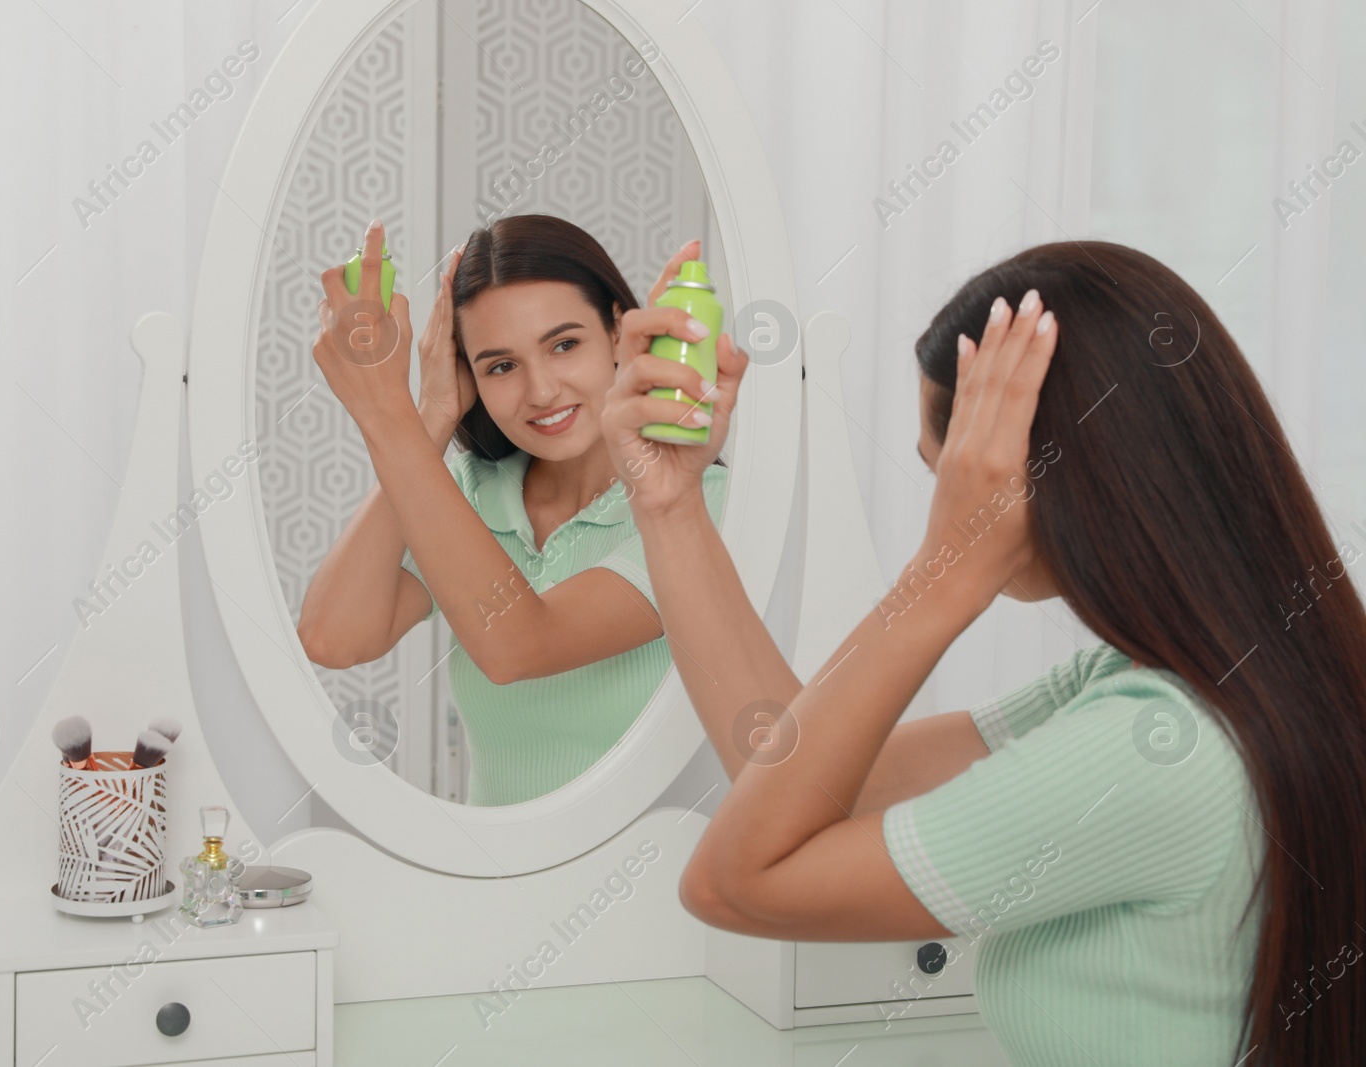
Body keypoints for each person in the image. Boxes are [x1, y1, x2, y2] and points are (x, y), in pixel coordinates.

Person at [597, 239, 1366, 1065]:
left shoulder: (1158, 750)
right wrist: (671, 504)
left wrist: (945, 573)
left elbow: (733, 882)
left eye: (962, 472)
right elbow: (783, 756)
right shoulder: (1167, 683)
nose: (950, 500)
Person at [298, 214, 727, 806]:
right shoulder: (469, 492)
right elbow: (333, 638)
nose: (542, 390)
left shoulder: (695, 505)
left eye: (565, 345)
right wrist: (427, 416)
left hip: (652, 882)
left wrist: (382, 411)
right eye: (500, 365)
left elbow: (519, 646)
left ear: (619, 333)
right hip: (499, 881)